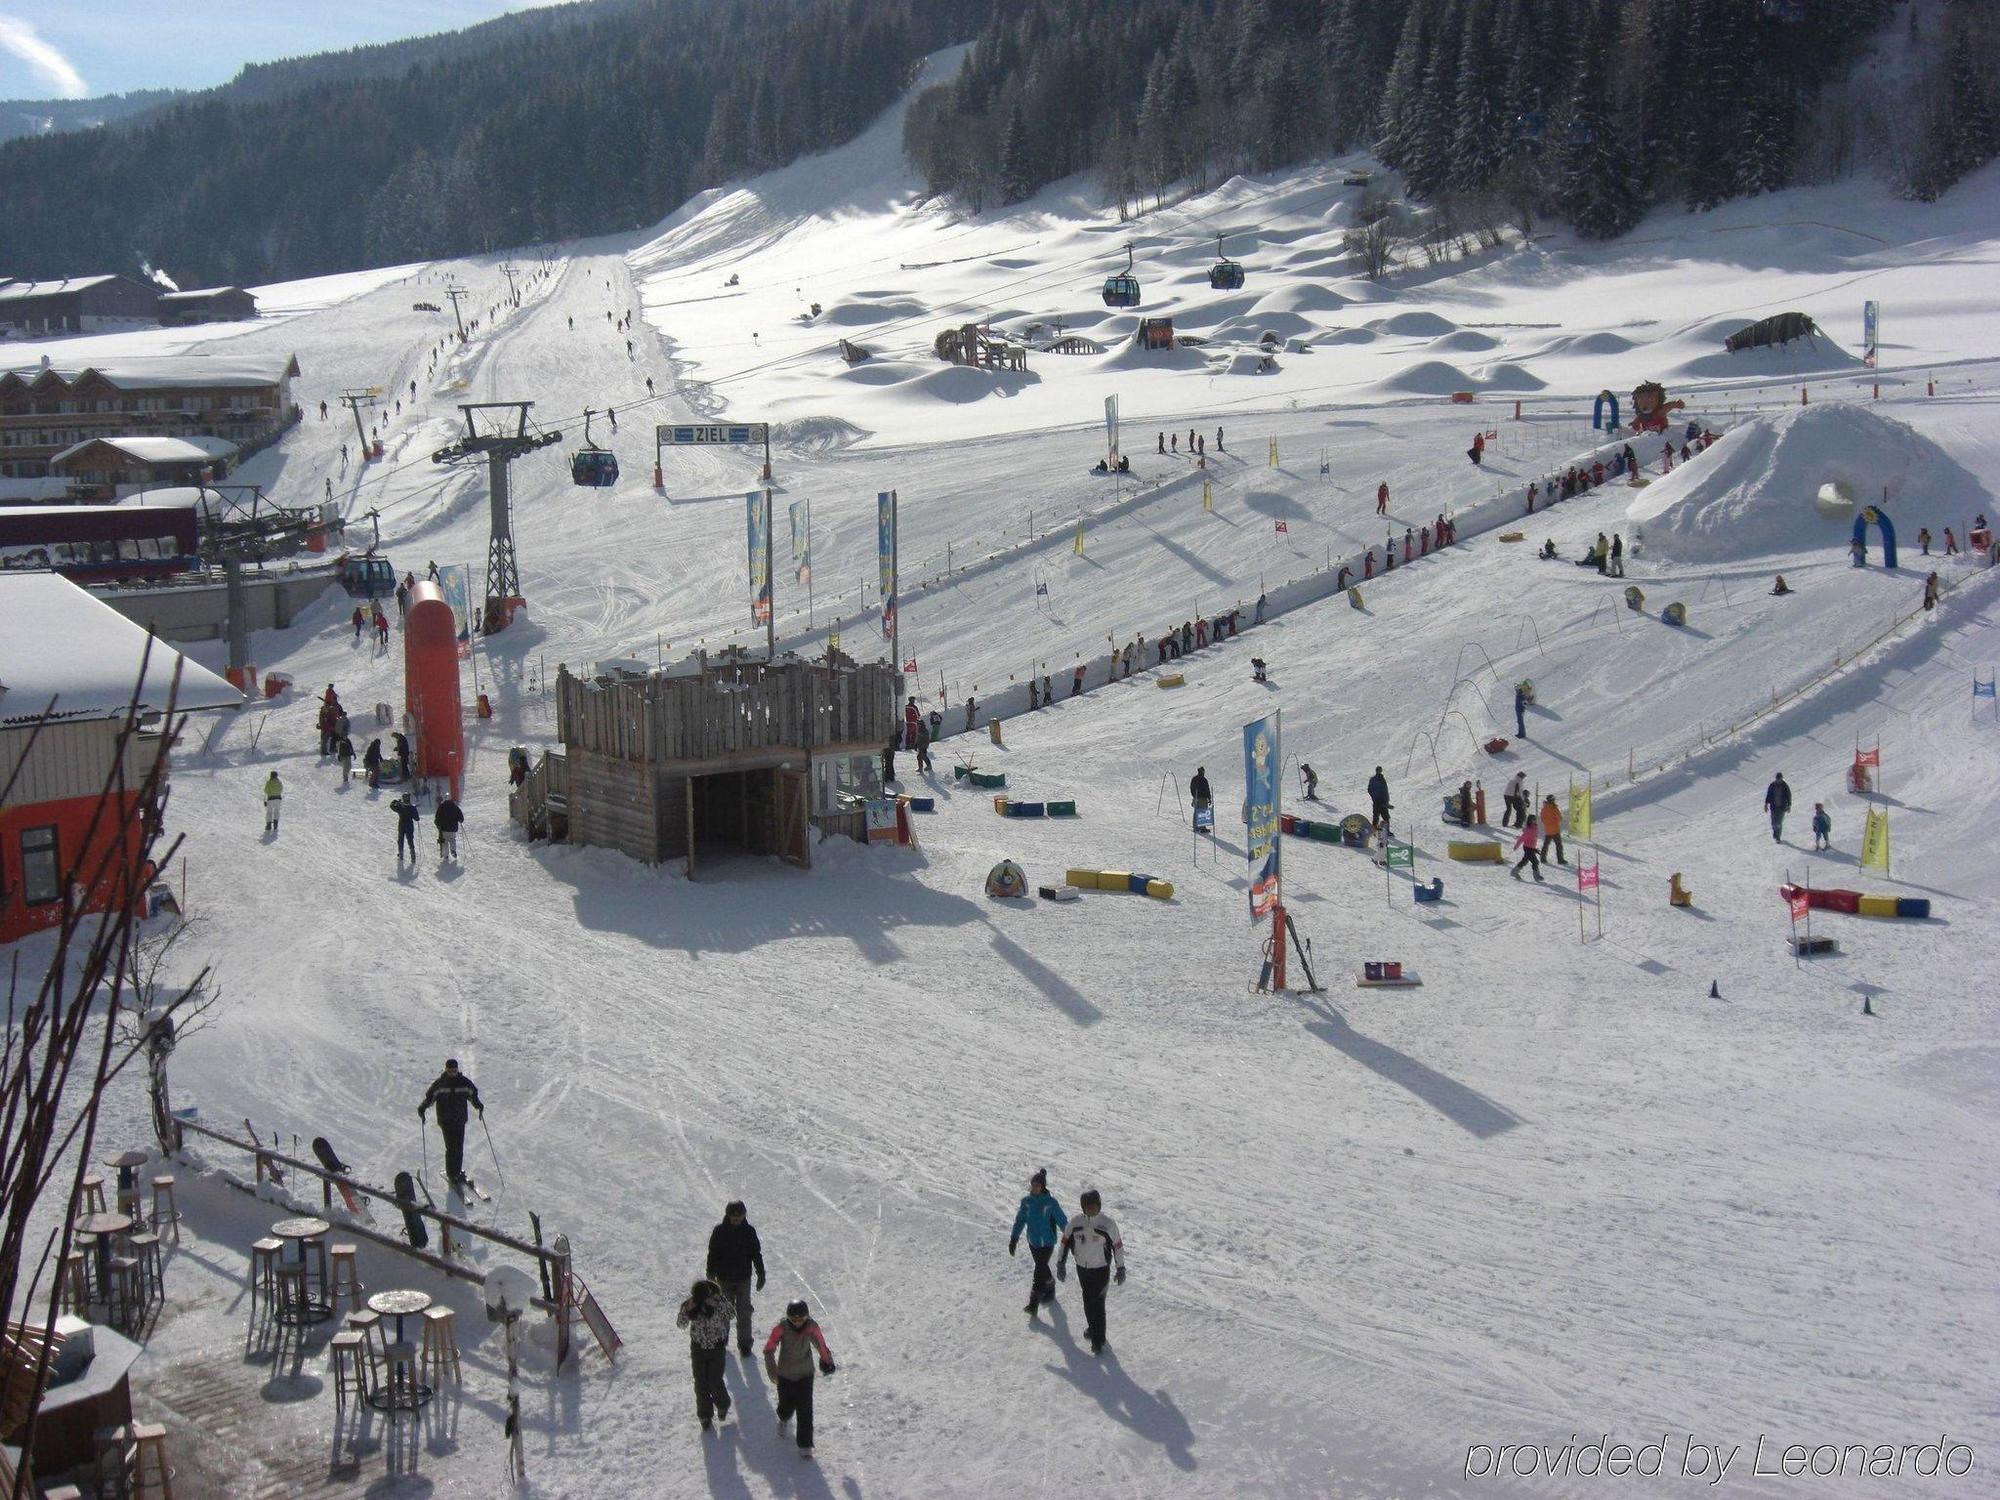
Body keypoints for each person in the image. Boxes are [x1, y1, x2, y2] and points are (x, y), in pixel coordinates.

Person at [1055, 1188, 1125, 1355]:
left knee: (1098, 1304)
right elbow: (1064, 1242)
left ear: (1099, 1205)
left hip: (1101, 1270)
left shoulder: (1108, 1224)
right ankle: (1093, 1329)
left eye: (1094, 1206)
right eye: (1087, 1206)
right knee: (1087, 1301)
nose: (1091, 1209)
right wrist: (1060, 1263)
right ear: (1083, 1207)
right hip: (1083, 1269)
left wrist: (1120, 1267)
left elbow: (1118, 1247)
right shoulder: (1075, 1223)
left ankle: (1098, 1341)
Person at [763, 1300, 835, 1458]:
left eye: (801, 1320)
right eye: (793, 1320)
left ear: (806, 1317)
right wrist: (772, 1370)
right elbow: (769, 1349)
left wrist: (827, 1360)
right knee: (786, 1404)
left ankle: (805, 1444)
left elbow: (820, 1344)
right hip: (785, 1374)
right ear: (788, 1318)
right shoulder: (781, 1328)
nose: (797, 1323)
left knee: (805, 1409)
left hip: (805, 1374)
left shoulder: (811, 1327)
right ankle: (783, 1417)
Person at [706, 1201, 767, 1357]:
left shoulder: (749, 1232)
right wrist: (710, 1274)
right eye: (734, 1219)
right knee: (724, 1311)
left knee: (744, 1311)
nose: (737, 1221)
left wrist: (761, 1273)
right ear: (728, 1216)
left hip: (743, 1279)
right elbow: (713, 1253)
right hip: (724, 1279)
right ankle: (721, 1340)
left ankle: (745, 1344)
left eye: (740, 1218)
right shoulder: (719, 1232)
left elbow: (756, 1254)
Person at [1010, 1168, 1069, 1313]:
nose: (1035, 1188)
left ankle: (1033, 1304)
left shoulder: (1050, 1203)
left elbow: (1062, 1220)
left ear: (1043, 1187)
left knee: (1039, 1270)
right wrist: (1014, 1238)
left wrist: (1069, 1237)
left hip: (1047, 1242)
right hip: (1033, 1242)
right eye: (1033, 1185)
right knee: (1041, 1266)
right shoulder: (1026, 1202)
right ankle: (1050, 1285)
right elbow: (1020, 1221)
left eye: (1038, 1185)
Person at [677, 1279, 734, 1429]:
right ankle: (704, 1415)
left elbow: (731, 1314)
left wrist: (717, 1304)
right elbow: (680, 1324)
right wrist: (686, 1310)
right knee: (700, 1383)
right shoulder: (690, 1303)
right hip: (698, 1349)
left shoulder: (718, 1300)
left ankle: (723, 1404)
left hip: (717, 1348)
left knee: (715, 1380)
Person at [418, 1059, 483, 1185]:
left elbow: (473, 1094)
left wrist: (478, 1105)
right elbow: (430, 1097)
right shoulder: (440, 1084)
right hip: (446, 1120)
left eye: (454, 1071)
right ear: (446, 1070)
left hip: (460, 1119)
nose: (452, 1073)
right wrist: (422, 1107)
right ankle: (451, 1173)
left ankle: (456, 1171)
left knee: (459, 1147)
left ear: (457, 1069)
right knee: (451, 1147)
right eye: (450, 1071)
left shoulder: (463, 1082)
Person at [1512, 817, 1544, 882]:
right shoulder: (1529, 830)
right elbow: (1522, 839)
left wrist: (1534, 849)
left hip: (1531, 848)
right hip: (1527, 848)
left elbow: (1532, 840)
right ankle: (1536, 876)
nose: (1534, 821)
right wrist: (1516, 846)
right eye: (1532, 820)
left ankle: (1514, 872)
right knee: (1535, 861)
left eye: (1535, 819)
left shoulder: (1535, 828)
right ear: (1529, 821)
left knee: (1525, 860)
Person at [434, 793, 464, 860]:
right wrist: (460, 820)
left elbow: (437, 817)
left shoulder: (441, 806)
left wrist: (438, 825)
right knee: (452, 840)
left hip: (444, 829)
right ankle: (453, 850)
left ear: (445, 798)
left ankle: (446, 855)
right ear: (450, 799)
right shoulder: (454, 806)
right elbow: (461, 817)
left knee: (445, 842)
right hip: (453, 829)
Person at [1539, 794, 1566, 866]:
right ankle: (1560, 859)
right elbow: (1559, 818)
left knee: (1546, 845)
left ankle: (1542, 858)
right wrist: (1555, 821)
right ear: (1552, 800)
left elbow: (1542, 818)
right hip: (1555, 830)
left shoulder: (1544, 808)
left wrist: (1548, 823)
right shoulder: (1554, 808)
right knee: (1558, 845)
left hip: (1548, 830)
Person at [1764, 772, 1791, 843]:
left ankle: (1778, 837)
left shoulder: (1785, 786)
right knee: (1773, 822)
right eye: (1778, 779)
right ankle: (1775, 832)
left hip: (1782, 807)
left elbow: (1789, 795)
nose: (1779, 780)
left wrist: (1789, 805)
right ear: (1776, 779)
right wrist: (1766, 804)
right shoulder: (1772, 785)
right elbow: (1768, 795)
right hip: (1774, 807)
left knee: (1779, 822)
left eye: (1780, 779)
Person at [393, 793, 420, 861]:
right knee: (410, 839)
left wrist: (395, 801)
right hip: (409, 825)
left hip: (401, 825)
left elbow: (392, 806)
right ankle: (413, 855)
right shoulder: (411, 807)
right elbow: (417, 818)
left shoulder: (400, 806)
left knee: (401, 839)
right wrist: (414, 810)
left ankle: (401, 854)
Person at [1367, 766, 1392, 834]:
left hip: (1383, 802)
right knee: (1376, 816)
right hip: (1378, 802)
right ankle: (1374, 830)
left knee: (1385, 817)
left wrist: (1387, 801)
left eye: (1380, 770)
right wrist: (1375, 797)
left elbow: (1385, 790)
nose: (1380, 771)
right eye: (1379, 770)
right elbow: (1369, 790)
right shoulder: (1374, 779)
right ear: (1377, 771)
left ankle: (1387, 831)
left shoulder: (1381, 778)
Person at [1189, 766, 1213, 832]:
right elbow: (1207, 790)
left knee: (1197, 812)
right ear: (1202, 771)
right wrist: (1209, 798)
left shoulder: (1194, 779)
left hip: (1197, 798)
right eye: (1203, 771)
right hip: (1202, 799)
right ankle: (1202, 827)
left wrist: (1194, 796)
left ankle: (1196, 827)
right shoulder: (1204, 779)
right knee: (1203, 813)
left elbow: (1191, 788)